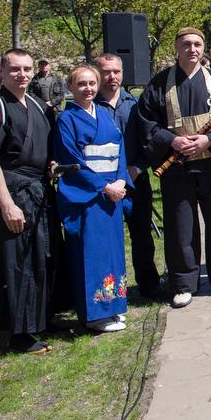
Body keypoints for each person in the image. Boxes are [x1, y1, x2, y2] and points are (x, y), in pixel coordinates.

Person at [137, 27, 211, 308]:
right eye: (186, 44)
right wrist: (172, 141)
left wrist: (209, 139)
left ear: (204, 48)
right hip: (177, 167)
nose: (192, 49)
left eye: (197, 44)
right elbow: (147, 123)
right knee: (180, 226)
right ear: (177, 48)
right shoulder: (159, 84)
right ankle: (184, 282)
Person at [0, 49, 54, 354]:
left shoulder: (37, 105)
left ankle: (37, 319)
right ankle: (19, 333)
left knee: (37, 259)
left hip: (37, 191)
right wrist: (6, 204)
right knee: (14, 263)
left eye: (27, 69)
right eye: (15, 69)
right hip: (11, 192)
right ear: (0, 73)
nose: (23, 74)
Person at [53, 64, 130, 332]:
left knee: (113, 252)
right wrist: (103, 186)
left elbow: (120, 149)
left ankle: (115, 305)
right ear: (70, 87)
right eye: (81, 84)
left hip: (111, 193)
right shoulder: (67, 119)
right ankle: (94, 314)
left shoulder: (105, 115)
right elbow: (71, 161)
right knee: (90, 253)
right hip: (88, 196)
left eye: (91, 84)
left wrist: (121, 179)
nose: (88, 89)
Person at [94, 53, 163, 300]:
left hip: (135, 182)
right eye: (106, 72)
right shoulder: (88, 107)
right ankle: (108, 292)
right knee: (106, 243)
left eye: (116, 72)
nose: (111, 77)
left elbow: (149, 142)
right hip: (102, 188)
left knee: (142, 236)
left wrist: (137, 168)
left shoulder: (135, 105)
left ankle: (149, 285)